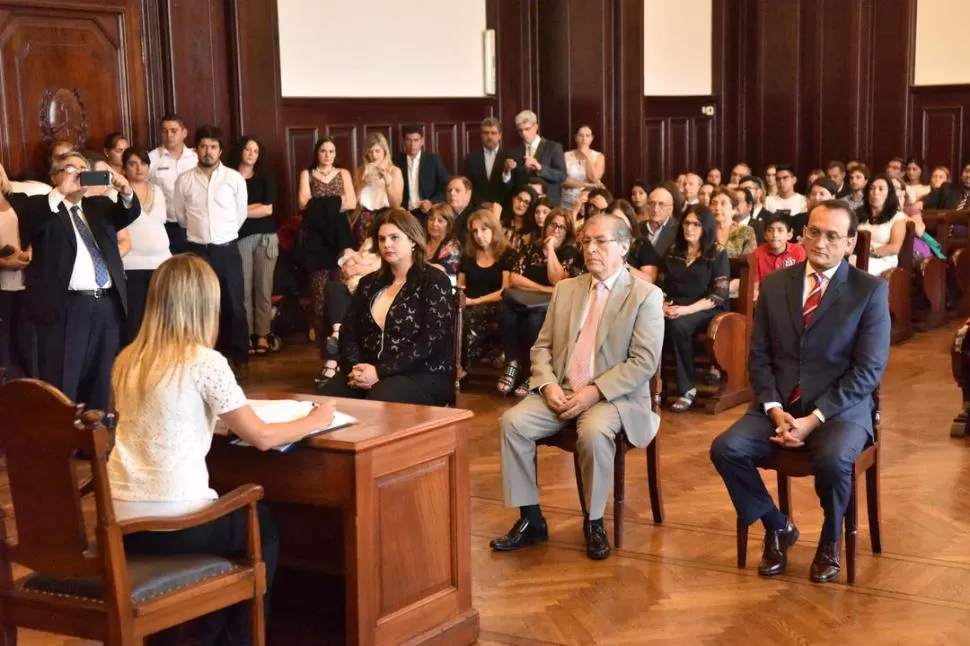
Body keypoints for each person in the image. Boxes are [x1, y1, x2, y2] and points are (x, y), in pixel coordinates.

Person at [110, 254, 337, 645]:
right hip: (173, 524)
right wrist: (318, 419)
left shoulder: (128, 359)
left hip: (120, 520)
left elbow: (156, 415)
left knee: (238, 526)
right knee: (260, 524)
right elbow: (262, 437)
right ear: (202, 306)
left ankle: (203, 633)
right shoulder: (204, 362)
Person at [710, 199, 890, 584]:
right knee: (727, 448)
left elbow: (868, 371)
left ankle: (830, 540)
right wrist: (774, 408)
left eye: (832, 236)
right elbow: (758, 356)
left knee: (833, 460)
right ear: (802, 232)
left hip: (840, 411)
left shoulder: (868, 291)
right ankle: (777, 526)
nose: (820, 242)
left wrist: (815, 418)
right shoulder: (776, 285)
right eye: (813, 231)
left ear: (850, 242)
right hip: (777, 406)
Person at [489, 212, 664, 561]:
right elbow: (542, 348)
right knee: (512, 423)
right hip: (563, 389)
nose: (591, 249)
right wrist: (547, 384)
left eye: (601, 242)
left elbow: (643, 362)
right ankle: (531, 519)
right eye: (586, 241)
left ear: (624, 247)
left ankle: (594, 521)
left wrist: (594, 392)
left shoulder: (646, 295)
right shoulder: (567, 289)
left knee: (594, 432)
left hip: (615, 397)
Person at [20, 151, 140, 412]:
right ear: (54, 176)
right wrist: (61, 192)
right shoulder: (41, 206)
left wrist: (126, 190)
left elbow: (128, 213)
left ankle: (93, 441)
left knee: (100, 378)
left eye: (82, 169)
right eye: (69, 168)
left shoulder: (99, 207)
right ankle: (62, 440)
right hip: (67, 307)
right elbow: (32, 223)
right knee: (64, 377)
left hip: (106, 304)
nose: (77, 174)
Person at [319, 208, 456, 406]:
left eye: (394, 237)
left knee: (378, 403)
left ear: (412, 241)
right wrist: (357, 369)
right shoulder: (369, 283)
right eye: (382, 239)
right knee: (327, 402)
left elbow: (432, 341)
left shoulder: (434, 281)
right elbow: (349, 333)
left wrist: (380, 372)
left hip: (421, 373)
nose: (387, 244)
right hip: (369, 369)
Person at [173, 125, 249, 375]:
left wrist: (221, 237)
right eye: (203, 147)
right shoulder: (184, 180)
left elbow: (240, 215)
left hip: (227, 250)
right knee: (202, 304)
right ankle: (205, 358)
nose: (208, 152)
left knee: (233, 304)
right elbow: (182, 217)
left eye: (213, 147)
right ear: (196, 149)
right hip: (198, 250)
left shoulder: (234, 179)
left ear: (220, 150)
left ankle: (237, 358)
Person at [498, 210, 582, 397]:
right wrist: (543, 290)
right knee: (504, 310)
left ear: (567, 231)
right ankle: (513, 362)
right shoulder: (530, 248)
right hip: (524, 301)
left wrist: (551, 249)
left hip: (549, 307)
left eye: (561, 227)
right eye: (553, 225)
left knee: (534, 321)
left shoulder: (569, 252)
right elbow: (514, 278)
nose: (556, 230)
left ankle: (532, 373)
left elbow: (557, 280)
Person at [660, 205, 729, 413]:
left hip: (706, 308)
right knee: (648, 322)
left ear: (705, 227)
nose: (689, 228)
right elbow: (661, 286)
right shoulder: (673, 251)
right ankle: (654, 387)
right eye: (687, 223)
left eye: (696, 224)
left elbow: (718, 295)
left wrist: (685, 310)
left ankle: (686, 389)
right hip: (674, 306)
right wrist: (662, 305)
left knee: (678, 325)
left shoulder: (717, 253)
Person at [114, 148, 170, 346]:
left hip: (162, 262)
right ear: (123, 168)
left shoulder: (157, 190)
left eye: (144, 163)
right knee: (135, 320)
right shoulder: (116, 192)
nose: (139, 168)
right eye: (132, 163)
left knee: (162, 317)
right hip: (132, 264)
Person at [232, 136, 279, 356]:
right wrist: (253, 208)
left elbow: (268, 209)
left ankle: (262, 334)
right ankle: (246, 334)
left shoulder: (265, 177)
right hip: (239, 237)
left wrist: (241, 211)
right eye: (248, 149)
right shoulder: (230, 177)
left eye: (255, 151)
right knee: (243, 289)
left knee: (263, 287)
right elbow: (228, 207)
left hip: (266, 237)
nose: (251, 154)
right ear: (240, 151)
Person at [458, 208, 512, 378]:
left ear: (493, 229)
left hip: (496, 305)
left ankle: (463, 369)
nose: (479, 235)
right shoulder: (468, 255)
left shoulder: (506, 254)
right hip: (468, 303)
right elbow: (461, 286)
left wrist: (475, 301)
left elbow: (505, 290)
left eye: (484, 229)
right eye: (475, 231)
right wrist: (463, 300)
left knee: (470, 316)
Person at [149, 113, 198, 254]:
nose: (169, 135)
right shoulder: (151, 159)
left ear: (184, 133)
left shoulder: (195, 158)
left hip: (194, 224)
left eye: (174, 131)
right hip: (165, 225)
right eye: (164, 131)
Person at [0, 163, 33, 377]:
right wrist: (4, 264)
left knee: (25, 335)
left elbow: (35, 230)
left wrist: (29, 253)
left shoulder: (19, 200)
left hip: (25, 278)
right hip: (2, 280)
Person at [502, 110, 567, 206]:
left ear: (536, 127)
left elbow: (562, 176)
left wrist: (539, 167)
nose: (523, 133)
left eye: (527, 129)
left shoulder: (553, 147)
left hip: (548, 204)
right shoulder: (515, 152)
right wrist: (507, 172)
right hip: (524, 206)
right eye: (520, 130)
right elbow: (511, 186)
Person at [353, 132, 403, 246]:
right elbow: (353, 201)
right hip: (364, 218)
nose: (374, 155)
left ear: (384, 151)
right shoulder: (360, 171)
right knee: (365, 253)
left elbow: (396, 204)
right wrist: (363, 184)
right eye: (370, 152)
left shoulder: (394, 171)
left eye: (377, 151)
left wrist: (388, 182)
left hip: (386, 216)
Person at [393, 125, 450, 220]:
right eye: (409, 140)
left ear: (422, 141)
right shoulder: (395, 161)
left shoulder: (433, 160)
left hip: (427, 213)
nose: (412, 145)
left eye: (416, 140)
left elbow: (446, 185)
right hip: (404, 214)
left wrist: (432, 202)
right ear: (404, 141)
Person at [857, 174, 908, 277]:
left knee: (857, 270)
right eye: (872, 188)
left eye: (881, 189)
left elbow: (895, 247)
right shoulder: (858, 213)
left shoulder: (897, 216)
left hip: (883, 260)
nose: (875, 192)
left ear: (889, 193)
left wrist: (871, 251)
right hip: (858, 256)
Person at [751, 212, 806, 301]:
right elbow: (754, 287)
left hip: (791, 299)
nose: (775, 235)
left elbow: (801, 283)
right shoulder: (757, 253)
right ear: (764, 234)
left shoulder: (798, 251)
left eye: (780, 230)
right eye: (770, 230)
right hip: (765, 299)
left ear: (790, 234)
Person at [608, 199, 661, 283]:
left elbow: (649, 280)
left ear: (630, 222)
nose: (617, 225)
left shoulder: (642, 244)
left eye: (621, 220)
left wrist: (622, 265)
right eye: (612, 220)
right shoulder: (603, 243)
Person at [462, 116, 511, 206]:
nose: (489, 136)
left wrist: (496, 205)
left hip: (503, 208)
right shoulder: (471, 158)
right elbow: (467, 185)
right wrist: (481, 203)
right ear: (481, 135)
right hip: (477, 207)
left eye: (493, 133)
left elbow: (512, 186)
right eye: (486, 133)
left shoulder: (509, 157)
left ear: (500, 135)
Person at [561, 125, 605, 210]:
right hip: (567, 202)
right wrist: (587, 185)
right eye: (581, 135)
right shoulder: (566, 156)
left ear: (592, 138)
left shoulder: (598, 156)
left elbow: (594, 178)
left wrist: (587, 156)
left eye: (587, 136)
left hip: (589, 204)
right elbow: (562, 180)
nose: (584, 138)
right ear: (575, 137)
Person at [711, 187, 756, 259]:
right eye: (714, 203)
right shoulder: (704, 231)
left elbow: (750, 262)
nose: (718, 208)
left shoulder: (746, 232)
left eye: (723, 203)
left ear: (733, 208)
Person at [640, 183, 682, 255]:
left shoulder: (679, 230)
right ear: (646, 206)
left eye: (661, 204)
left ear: (670, 209)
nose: (655, 209)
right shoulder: (638, 228)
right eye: (651, 203)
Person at [425, 202, 462, 278]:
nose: (434, 224)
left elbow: (446, 274)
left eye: (440, 221)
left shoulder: (453, 246)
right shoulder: (421, 240)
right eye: (431, 219)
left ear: (449, 225)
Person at [502, 185, 539, 251]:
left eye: (526, 202)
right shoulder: (502, 222)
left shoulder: (532, 231)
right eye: (519, 199)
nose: (521, 204)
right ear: (513, 199)